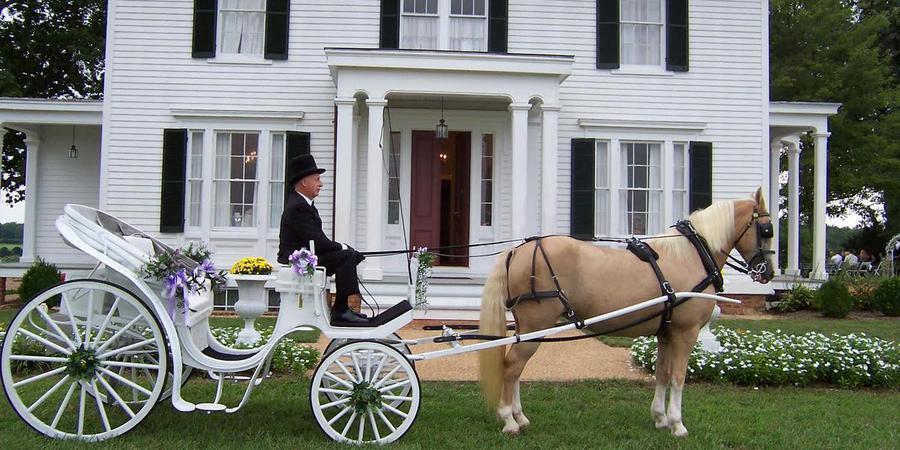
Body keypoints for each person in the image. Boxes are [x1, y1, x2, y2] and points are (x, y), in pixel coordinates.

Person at [277, 154, 369, 324]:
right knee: (346, 256)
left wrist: (346, 250)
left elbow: (319, 242)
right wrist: (344, 248)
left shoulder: (304, 205)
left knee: (347, 256)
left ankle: (343, 309)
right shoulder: (298, 207)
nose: (321, 184)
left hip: (309, 255)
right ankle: (341, 310)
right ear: (304, 182)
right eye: (317, 179)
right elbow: (319, 243)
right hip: (297, 261)